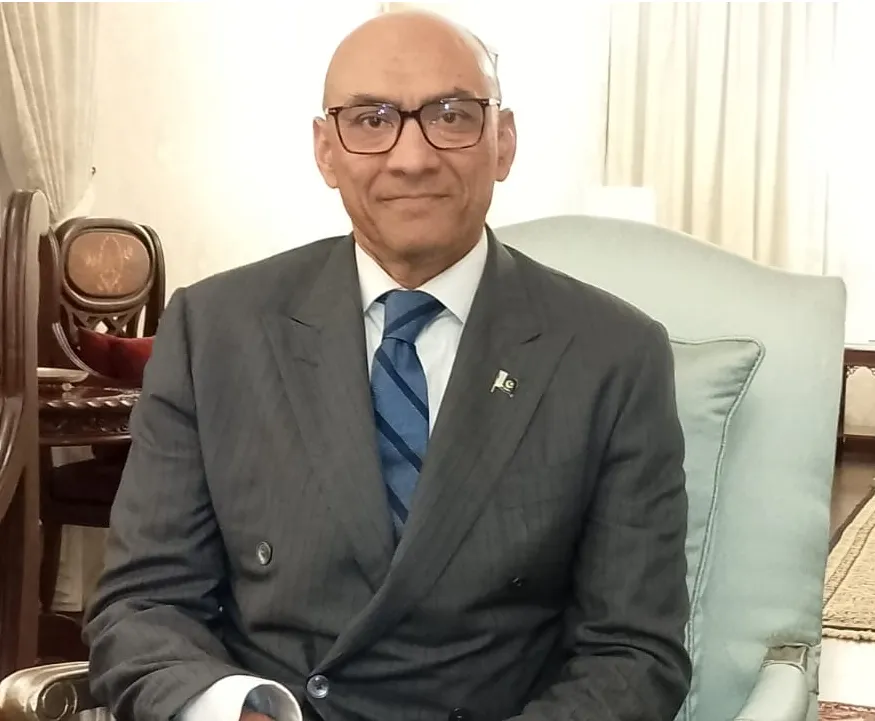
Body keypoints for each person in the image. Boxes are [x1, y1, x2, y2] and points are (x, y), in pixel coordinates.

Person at [84, 9, 691, 721]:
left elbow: (634, 653)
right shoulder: (214, 330)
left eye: (451, 116)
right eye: (371, 120)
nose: (411, 158)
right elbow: (143, 603)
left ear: (502, 141)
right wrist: (237, 710)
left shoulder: (611, 354)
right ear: (325, 151)